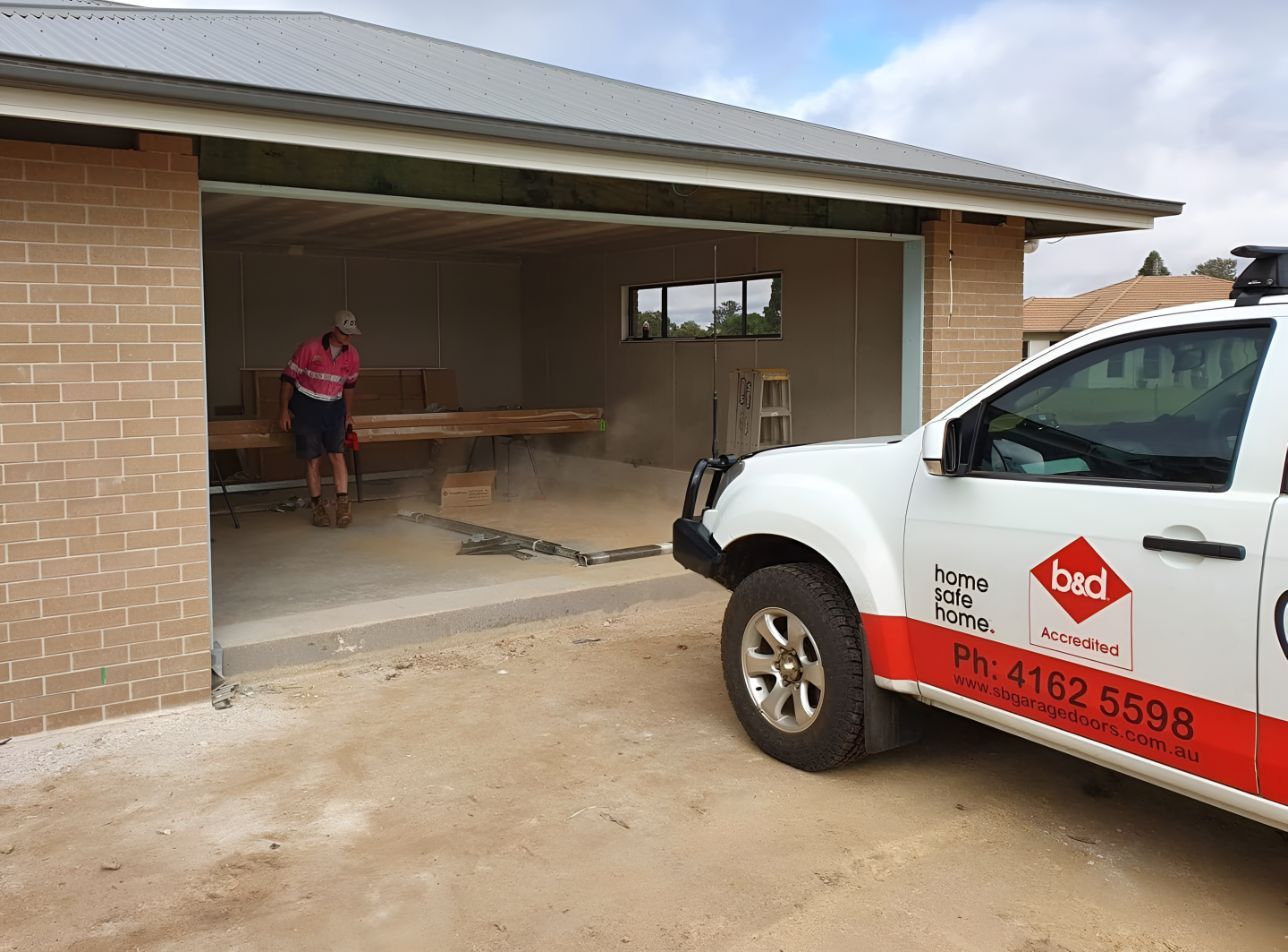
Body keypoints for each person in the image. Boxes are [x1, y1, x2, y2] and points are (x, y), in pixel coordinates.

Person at [278, 310, 362, 528]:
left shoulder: (352, 355)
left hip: (334, 407)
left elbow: (349, 386)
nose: (347, 338)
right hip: (307, 406)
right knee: (313, 459)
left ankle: (343, 505)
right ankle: (318, 508)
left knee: (337, 454)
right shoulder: (310, 348)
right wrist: (284, 409)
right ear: (334, 329)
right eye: (344, 333)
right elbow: (288, 378)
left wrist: (347, 412)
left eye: (351, 334)